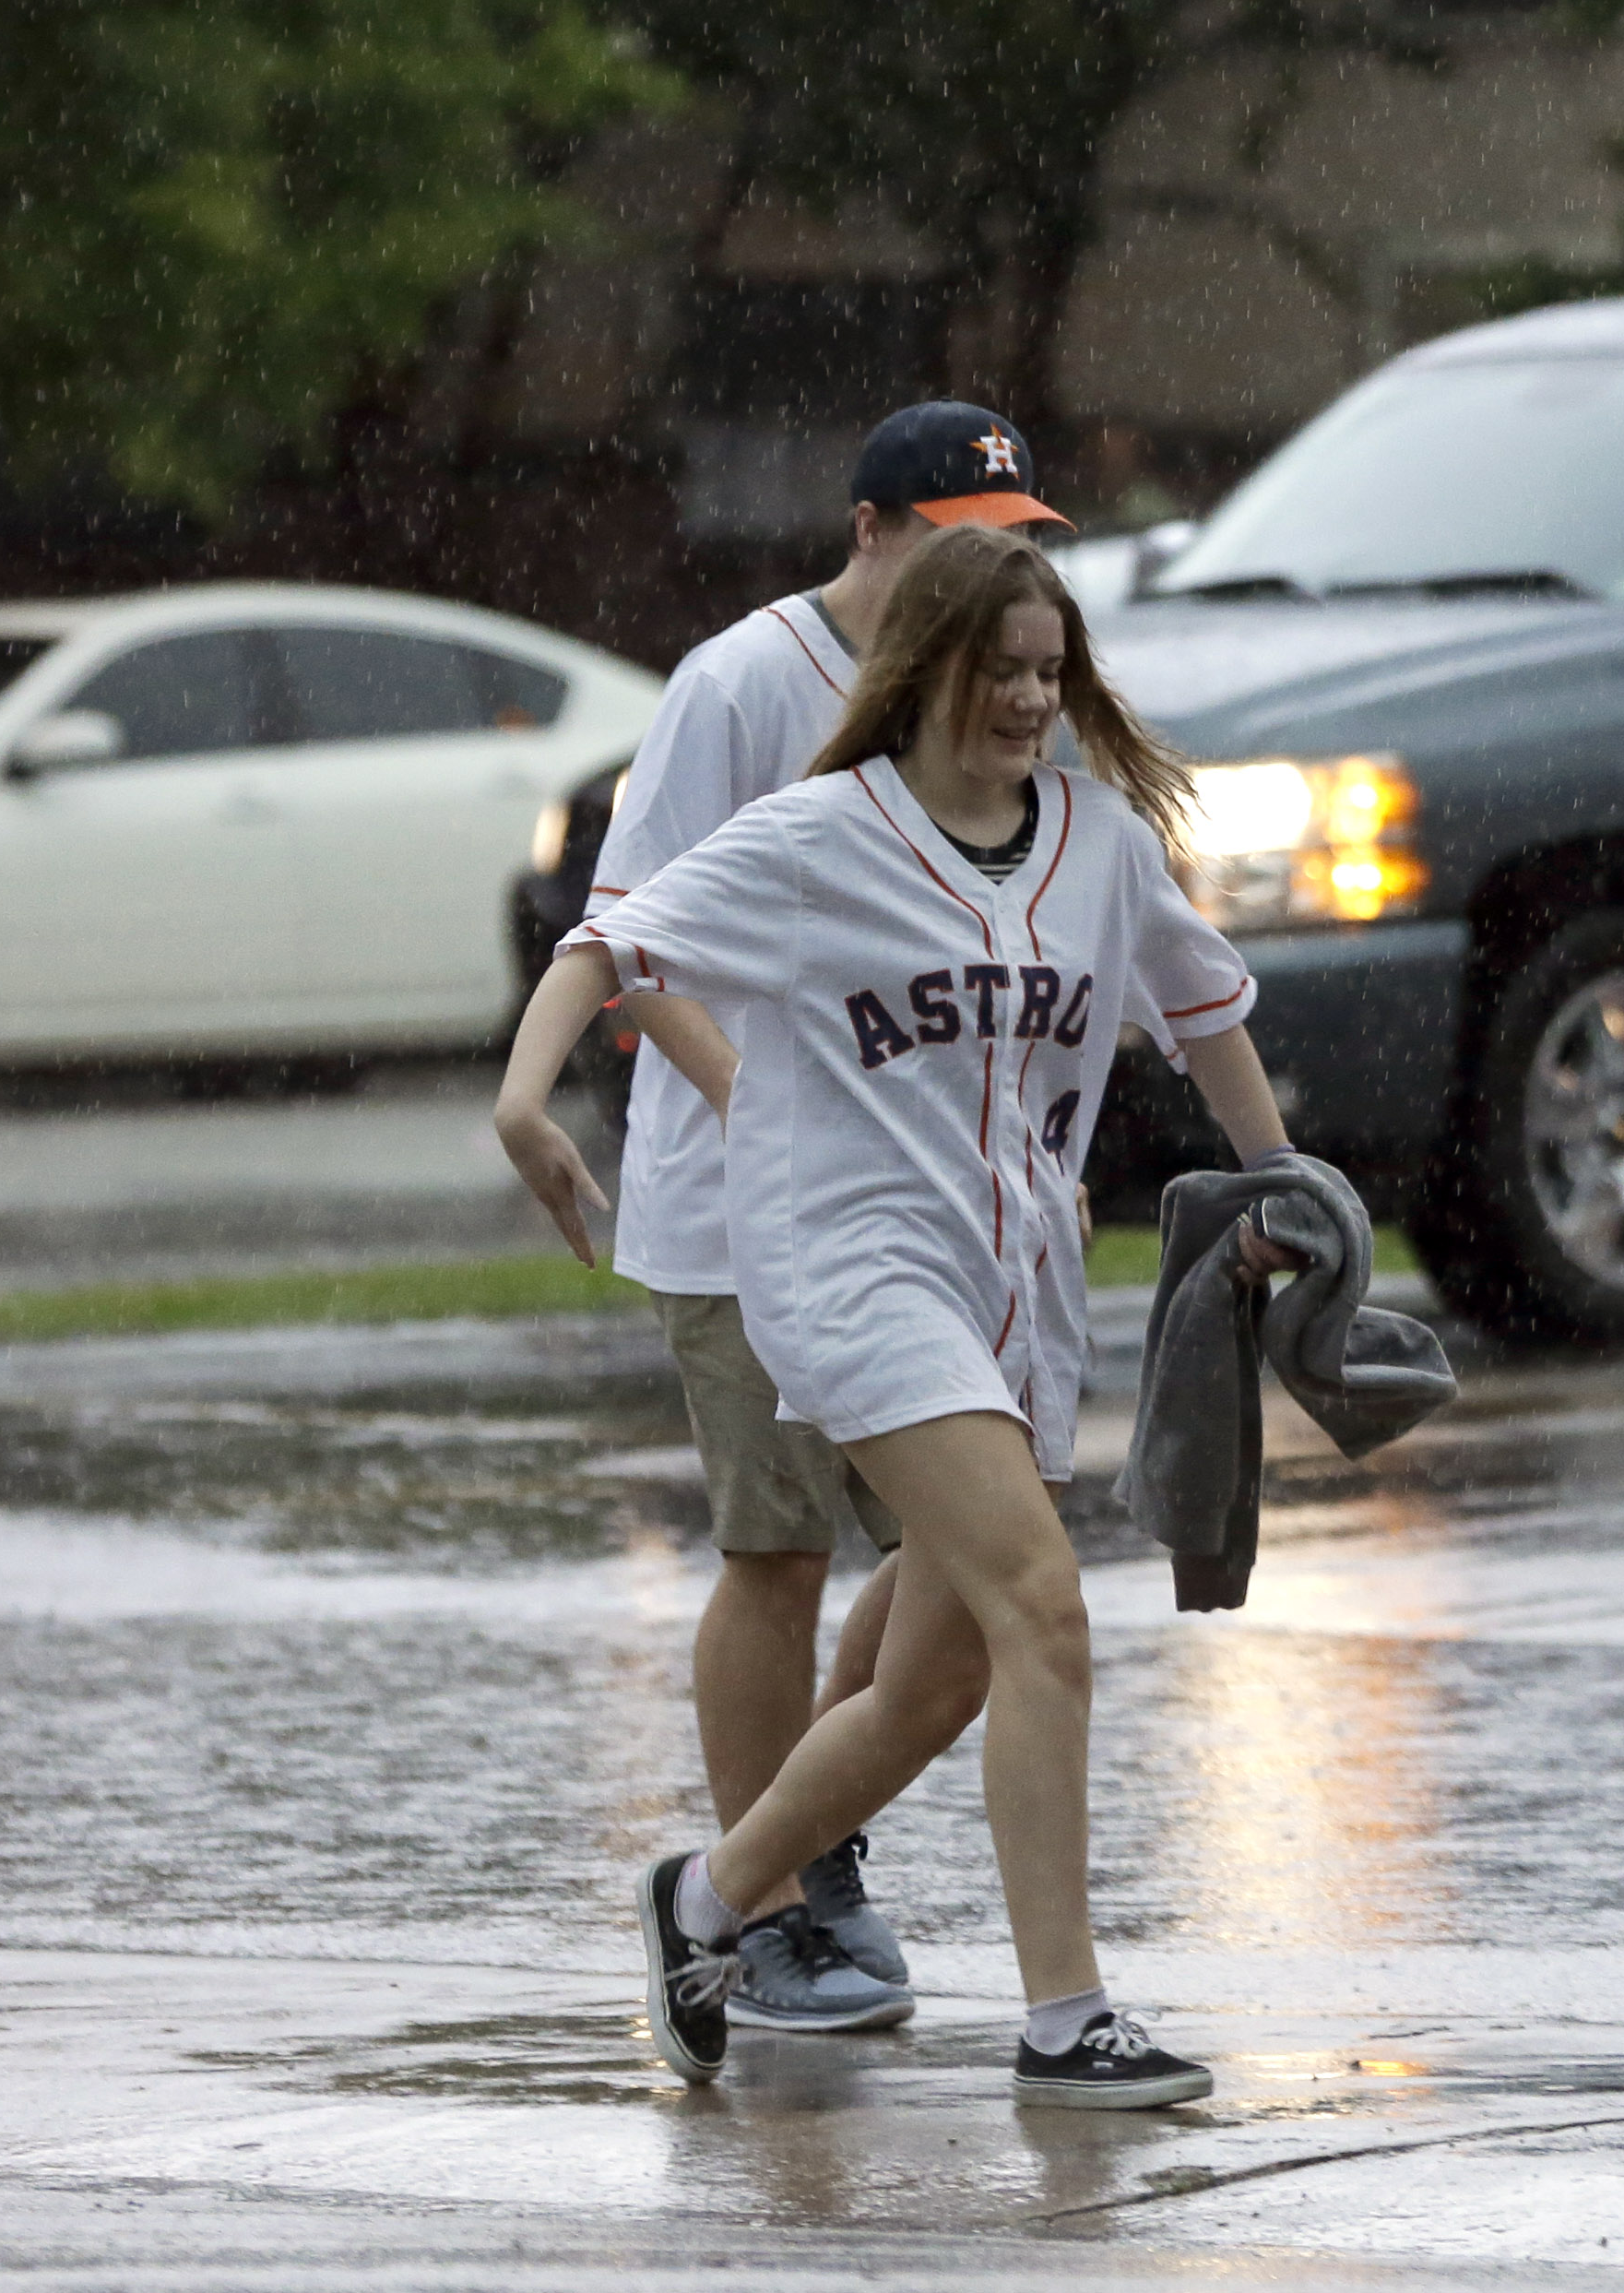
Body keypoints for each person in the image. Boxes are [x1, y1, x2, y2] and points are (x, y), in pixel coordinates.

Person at [504, 525, 1305, 2110]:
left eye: (1047, 673)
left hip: (1016, 1285)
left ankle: (712, 1898)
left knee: (939, 1679)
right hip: (849, 1274)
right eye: (997, 669)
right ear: (923, 668)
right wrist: (528, 1107)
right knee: (1042, 1605)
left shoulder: (1094, 841)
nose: (1025, 699)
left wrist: (1286, 1181)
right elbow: (606, 943)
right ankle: (1067, 2015)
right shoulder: (820, 836)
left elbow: (1204, 1009)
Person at [492, 402, 1068, 2038]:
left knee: (967, 1548)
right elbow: (634, 930)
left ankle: (794, 1846)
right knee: (778, 1543)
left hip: (944, 1206)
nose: (1000, 560)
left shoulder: (997, 682)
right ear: (873, 526)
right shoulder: (744, 683)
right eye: (968, 529)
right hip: (745, 1209)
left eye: (1019, 533)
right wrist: (774, 1108)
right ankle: (767, 1921)